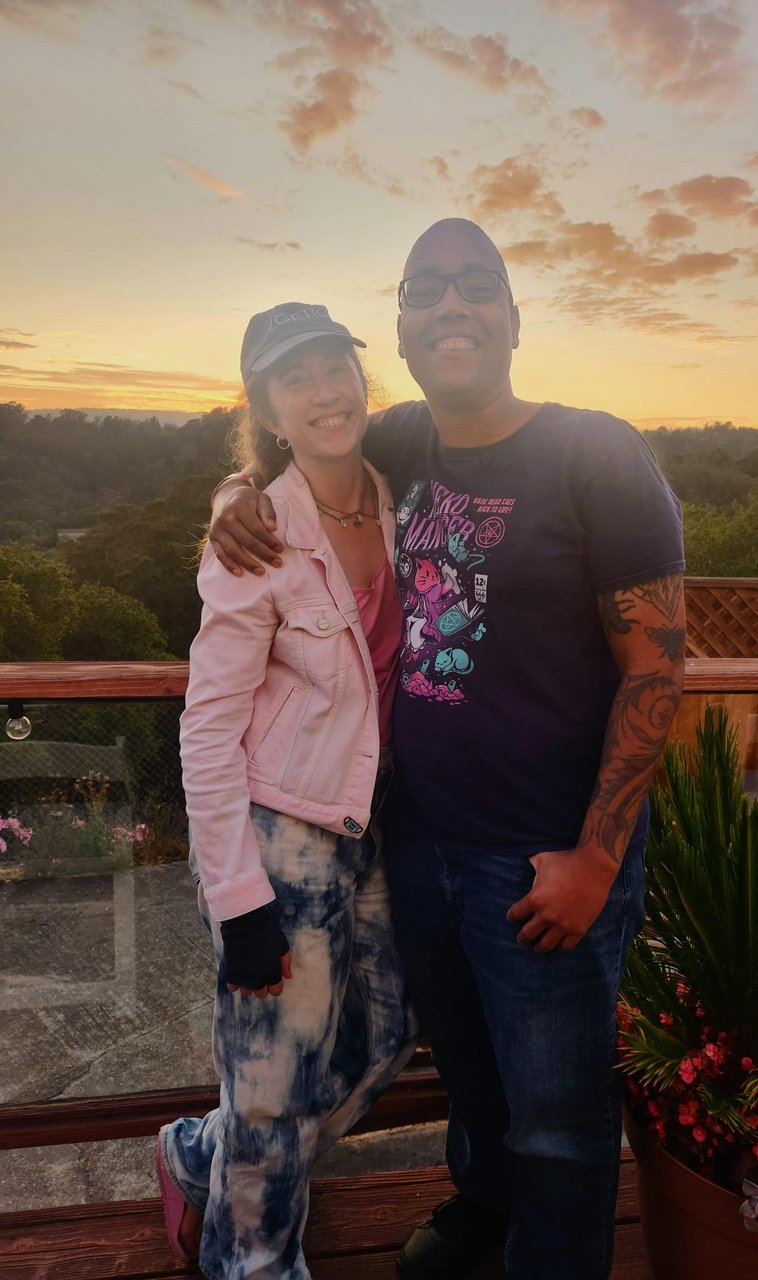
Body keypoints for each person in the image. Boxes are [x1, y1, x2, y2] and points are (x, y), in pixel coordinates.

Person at [209, 220, 686, 1280]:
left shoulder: (595, 453)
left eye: (478, 286)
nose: (452, 305)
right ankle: (482, 1207)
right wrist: (234, 499)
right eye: (427, 289)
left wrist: (598, 859)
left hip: (547, 857)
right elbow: (295, 463)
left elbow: (656, 669)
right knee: (469, 1072)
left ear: (514, 317)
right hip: (417, 848)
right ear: (404, 327)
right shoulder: (402, 441)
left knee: (561, 1117)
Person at [156, 302, 413, 1279]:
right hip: (277, 835)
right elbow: (208, 725)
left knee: (386, 1035)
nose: (322, 391)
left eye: (332, 366)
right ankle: (254, 1257)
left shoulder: (396, 497)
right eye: (292, 378)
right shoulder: (256, 534)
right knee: (273, 1085)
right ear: (267, 408)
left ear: (360, 376)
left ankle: (205, 1155)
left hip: (369, 825)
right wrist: (238, 899)